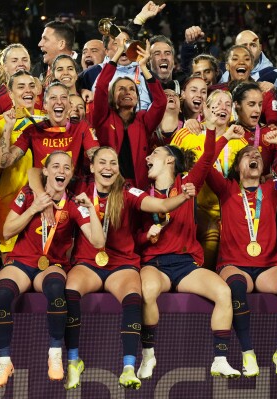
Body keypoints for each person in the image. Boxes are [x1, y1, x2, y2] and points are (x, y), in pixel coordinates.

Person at [64, 146, 196, 390]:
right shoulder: (80, 189)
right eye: (102, 162)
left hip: (121, 264)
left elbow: (162, 206)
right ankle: (73, 360)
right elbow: (37, 173)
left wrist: (183, 197)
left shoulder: (127, 191)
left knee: (134, 298)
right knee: (70, 291)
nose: (108, 167)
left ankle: (128, 367)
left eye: (113, 163)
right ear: (92, 167)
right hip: (88, 263)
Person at [137, 117, 245, 380]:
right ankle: (148, 355)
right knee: (148, 290)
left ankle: (220, 359)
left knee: (223, 291)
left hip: (186, 265)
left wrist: (212, 127)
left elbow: (207, 157)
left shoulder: (188, 185)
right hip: (155, 265)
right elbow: (134, 239)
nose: (148, 157)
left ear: (170, 160)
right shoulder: (141, 193)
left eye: (155, 153)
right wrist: (145, 237)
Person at [0, 151, 103, 387]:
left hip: (51, 265)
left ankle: (55, 355)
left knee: (55, 288)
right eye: (56, 166)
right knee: (2, 294)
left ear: (71, 174)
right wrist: (33, 209)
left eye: (67, 168)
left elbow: (98, 242)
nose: (61, 171)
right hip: (21, 263)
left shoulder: (72, 203)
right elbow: (7, 231)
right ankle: (4, 360)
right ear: (46, 171)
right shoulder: (28, 194)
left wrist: (91, 209)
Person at [205, 129, 277, 378]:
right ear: (237, 165)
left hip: (268, 267)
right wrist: (225, 139)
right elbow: (206, 163)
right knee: (236, 287)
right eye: (247, 155)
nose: (254, 157)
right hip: (233, 264)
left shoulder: (272, 188)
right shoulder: (226, 188)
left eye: (258, 156)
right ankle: (247, 352)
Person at [172, 90, 248, 270]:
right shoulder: (187, 134)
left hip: (226, 209)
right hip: (192, 206)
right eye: (218, 103)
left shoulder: (240, 141)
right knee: (211, 231)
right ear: (205, 108)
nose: (224, 108)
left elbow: (246, 181)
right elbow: (171, 167)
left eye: (228, 105)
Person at [92, 37, 166, 190]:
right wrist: (118, 53)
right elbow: (100, 87)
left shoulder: (143, 120)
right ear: (112, 96)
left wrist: (143, 67)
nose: (127, 92)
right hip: (110, 187)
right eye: (121, 89)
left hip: (139, 187)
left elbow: (160, 102)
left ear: (138, 97)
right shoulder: (103, 118)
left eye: (132, 89)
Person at [0, 70, 46, 254]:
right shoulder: (0, 123)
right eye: (21, 87)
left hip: (43, 202)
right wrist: (8, 128)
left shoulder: (49, 120)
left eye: (31, 86)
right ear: (10, 94)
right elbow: (0, 163)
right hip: (10, 204)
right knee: (11, 263)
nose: (27, 91)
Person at [0, 81, 99, 175]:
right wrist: (8, 127)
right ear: (45, 105)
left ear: (69, 105)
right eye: (53, 98)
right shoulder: (32, 130)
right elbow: (3, 163)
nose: (59, 102)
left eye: (63, 97)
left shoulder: (81, 127)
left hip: (72, 192)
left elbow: (98, 160)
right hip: (42, 192)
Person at [0, 44, 35, 115]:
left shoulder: (40, 92)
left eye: (25, 60)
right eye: (14, 61)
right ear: (5, 66)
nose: (21, 64)